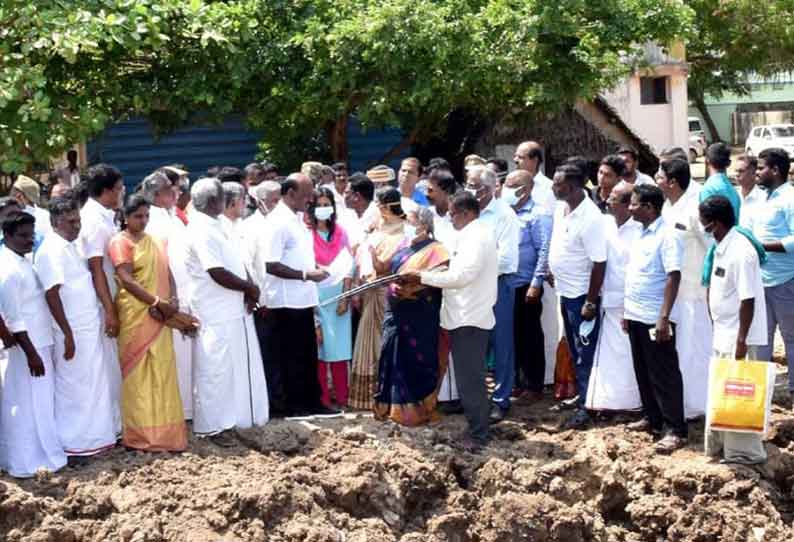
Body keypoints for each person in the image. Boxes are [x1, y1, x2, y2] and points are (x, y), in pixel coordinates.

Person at [401, 192, 498, 451]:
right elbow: (456, 271)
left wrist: (422, 277)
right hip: (464, 315)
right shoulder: (471, 234)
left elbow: (462, 276)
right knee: (470, 378)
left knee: (471, 380)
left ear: (466, 213)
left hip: (470, 317)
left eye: (453, 214)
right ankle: (478, 427)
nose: (450, 218)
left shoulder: (476, 236)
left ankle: (479, 435)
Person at [185, 178, 269, 443]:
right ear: (214, 201)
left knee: (235, 371)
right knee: (215, 371)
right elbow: (216, 271)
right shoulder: (201, 229)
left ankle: (237, 421)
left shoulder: (220, 224)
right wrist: (249, 288)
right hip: (215, 312)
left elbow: (238, 260)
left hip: (234, 309)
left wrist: (248, 288)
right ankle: (214, 428)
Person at [35, 197, 117, 461]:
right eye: (71, 222)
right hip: (70, 332)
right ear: (56, 222)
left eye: (78, 220)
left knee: (93, 385)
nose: (77, 226)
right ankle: (75, 445)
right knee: (74, 389)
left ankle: (96, 440)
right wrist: (68, 334)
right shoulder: (51, 250)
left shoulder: (71, 246)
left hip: (87, 326)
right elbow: (52, 295)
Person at [108, 195, 187, 452]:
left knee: (163, 371)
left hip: (160, 314)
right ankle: (140, 437)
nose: (142, 221)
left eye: (146, 216)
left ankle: (168, 436)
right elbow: (126, 279)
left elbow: (167, 271)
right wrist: (156, 302)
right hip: (136, 314)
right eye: (137, 216)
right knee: (139, 376)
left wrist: (171, 300)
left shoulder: (154, 241)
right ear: (125, 217)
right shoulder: (120, 242)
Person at [700, 195, 768, 464]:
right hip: (724, 331)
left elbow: (747, 299)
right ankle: (721, 446)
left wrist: (741, 341)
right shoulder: (721, 246)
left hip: (740, 335)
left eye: (704, 223)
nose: (702, 228)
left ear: (715, 224)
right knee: (722, 391)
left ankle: (744, 454)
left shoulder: (741, 251)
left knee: (740, 393)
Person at [0, 212, 67, 477]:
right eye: (23, 236)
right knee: (25, 405)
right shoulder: (8, 271)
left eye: (31, 234)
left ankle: (40, 456)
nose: (30, 240)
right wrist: (31, 355)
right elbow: (14, 320)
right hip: (29, 349)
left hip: (38, 343)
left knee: (37, 403)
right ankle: (25, 463)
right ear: (7, 236)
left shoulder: (21, 260)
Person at [263, 173, 334, 416]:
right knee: (290, 357)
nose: (310, 200)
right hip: (285, 302)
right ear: (290, 194)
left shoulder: (296, 219)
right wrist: (306, 274)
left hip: (302, 299)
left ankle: (311, 402)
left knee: (307, 355)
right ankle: (293, 406)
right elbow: (270, 264)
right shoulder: (277, 222)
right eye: (306, 196)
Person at [624, 183, 687, 454]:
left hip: (655, 317)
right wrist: (628, 313)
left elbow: (673, 276)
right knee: (643, 371)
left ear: (649, 208)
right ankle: (653, 418)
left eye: (634, 204)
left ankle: (676, 429)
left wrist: (664, 317)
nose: (630, 208)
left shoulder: (667, 235)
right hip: (636, 314)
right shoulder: (639, 234)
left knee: (664, 373)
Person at [374, 207, 449, 425]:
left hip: (420, 315)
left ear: (424, 226)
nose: (407, 224)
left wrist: (411, 289)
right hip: (396, 311)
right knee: (392, 353)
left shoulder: (438, 250)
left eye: (411, 220)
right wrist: (393, 285)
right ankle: (391, 408)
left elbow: (439, 278)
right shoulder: (402, 246)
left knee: (417, 358)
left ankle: (418, 411)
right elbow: (386, 270)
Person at [548, 164, 608, 428]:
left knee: (586, 353)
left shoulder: (591, 218)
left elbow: (599, 263)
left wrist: (591, 302)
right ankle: (584, 396)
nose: (553, 187)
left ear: (572, 187)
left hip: (582, 297)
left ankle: (588, 406)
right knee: (574, 350)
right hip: (565, 290)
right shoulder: (561, 209)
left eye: (557, 184)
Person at [657, 158, 712, 419]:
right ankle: (681, 403)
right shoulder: (666, 207)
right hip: (672, 294)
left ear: (672, 182)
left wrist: (709, 284)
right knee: (678, 352)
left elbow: (712, 247)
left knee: (696, 351)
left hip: (694, 293)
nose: (656, 179)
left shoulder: (695, 207)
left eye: (660, 175)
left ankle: (698, 406)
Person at [464, 165, 520, 422]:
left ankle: (501, 399)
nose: (469, 189)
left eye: (473, 185)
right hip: (470, 287)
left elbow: (507, 260)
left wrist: (476, 266)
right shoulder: (468, 213)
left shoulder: (504, 215)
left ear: (487, 190)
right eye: (467, 184)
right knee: (474, 342)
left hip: (497, 286)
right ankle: (477, 397)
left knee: (501, 343)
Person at [585, 182, 642, 411]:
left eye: (614, 199)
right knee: (610, 357)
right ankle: (610, 403)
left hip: (630, 304)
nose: (607, 201)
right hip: (608, 300)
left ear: (629, 205)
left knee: (628, 357)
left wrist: (629, 307)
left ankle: (632, 404)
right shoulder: (605, 224)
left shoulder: (638, 230)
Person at [349, 187, 407, 410]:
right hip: (369, 293)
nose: (377, 208)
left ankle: (389, 395)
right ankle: (367, 397)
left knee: (388, 342)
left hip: (389, 295)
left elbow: (390, 265)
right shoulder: (373, 231)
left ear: (386, 206)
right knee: (369, 340)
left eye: (379, 204)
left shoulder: (404, 232)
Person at [142, 170, 194, 420]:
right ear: (156, 195)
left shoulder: (173, 216)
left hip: (186, 291)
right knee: (174, 355)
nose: (175, 193)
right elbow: (157, 261)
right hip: (167, 296)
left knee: (186, 356)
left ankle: (187, 408)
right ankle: (177, 411)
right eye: (169, 190)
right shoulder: (151, 220)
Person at [79, 163, 125, 436]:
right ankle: (111, 426)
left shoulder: (105, 215)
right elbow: (96, 268)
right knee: (106, 367)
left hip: (110, 297)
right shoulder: (93, 221)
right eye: (118, 189)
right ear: (106, 191)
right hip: (101, 302)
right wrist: (109, 310)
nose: (121, 193)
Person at [745, 148, 794, 395]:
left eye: (761, 167)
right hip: (760, 282)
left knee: (791, 339)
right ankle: (760, 395)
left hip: (786, 282)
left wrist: (763, 247)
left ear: (775, 170)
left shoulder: (789, 199)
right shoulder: (761, 198)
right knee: (760, 340)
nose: (757, 173)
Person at [502, 170, 552, 402]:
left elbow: (544, 249)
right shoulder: (504, 213)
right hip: (506, 283)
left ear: (526, 189)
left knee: (529, 336)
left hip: (526, 285)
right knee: (511, 336)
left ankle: (534, 385)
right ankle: (518, 382)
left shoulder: (538, 214)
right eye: (507, 184)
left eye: (513, 185)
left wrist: (537, 282)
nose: (507, 188)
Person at [310, 187, 354, 408]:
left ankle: (342, 396)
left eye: (327, 204)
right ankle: (323, 398)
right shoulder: (305, 234)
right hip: (315, 296)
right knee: (319, 348)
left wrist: (345, 297)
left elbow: (349, 265)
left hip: (338, 297)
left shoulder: (340, 233)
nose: (323, 209)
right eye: (319, 205)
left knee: (339, 349)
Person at [514, 141, 557, 215]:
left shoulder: (549, 188)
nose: (515, 160)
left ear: (534, 160)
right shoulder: (510, 186)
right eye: (515, 156)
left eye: (521, 157)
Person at [700, 142, 741, 220]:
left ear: (707, 160)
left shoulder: (708, 189)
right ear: (728, 163)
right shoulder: (733, 190)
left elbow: (707, 222)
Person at [734, 154, 764, 229]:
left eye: (741, 171)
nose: (737, 174)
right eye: (736, 171)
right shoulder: (733, 195)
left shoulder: (764, 199)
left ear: (753, 173)